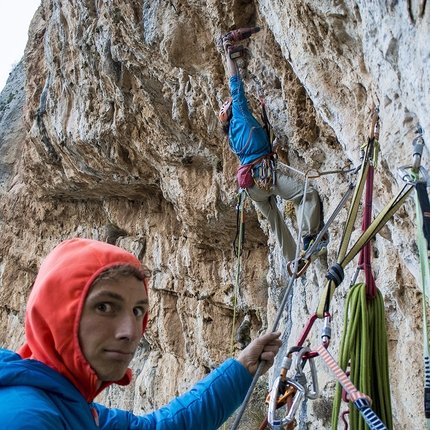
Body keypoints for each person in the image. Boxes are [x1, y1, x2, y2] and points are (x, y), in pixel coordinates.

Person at [0, 238, 282, 429]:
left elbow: (159, 427)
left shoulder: (68, 402)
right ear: (58, 314)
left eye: (138, 311)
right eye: (105, 306)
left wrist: (242, 368)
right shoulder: (28, 419)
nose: (130, 332)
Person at [220, 38, 326, 262]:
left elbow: (253, 150)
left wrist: (272, 147)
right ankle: (308, 240)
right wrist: (228, 56)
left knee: (276, 221)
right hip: (265, 176)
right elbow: (235, 83)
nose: (234, 102)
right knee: (305, 193)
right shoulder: (239, 113)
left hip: (252, 187)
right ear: (233, 112)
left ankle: (292, 259)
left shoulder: (231, 137)